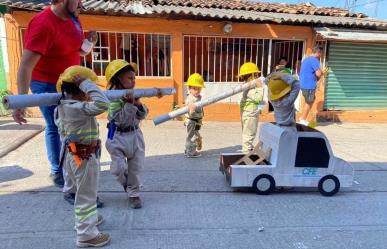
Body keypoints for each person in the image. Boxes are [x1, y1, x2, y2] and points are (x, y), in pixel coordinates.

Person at [12, 0, 97, 188]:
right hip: (46, 83)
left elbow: (78, 51)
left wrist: (88, 44)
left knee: (72, 126)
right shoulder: (43, 24)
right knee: (56, 126)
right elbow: (26, 65)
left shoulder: (73, 19)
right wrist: (21, 100)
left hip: (69, 83)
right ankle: (57, 171)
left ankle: (73, 164)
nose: (81, 3)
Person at [54, 66, 110, 247]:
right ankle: (87, 235)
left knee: (83, 193)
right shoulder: (78, 108)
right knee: (86, 195)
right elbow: (103, 103)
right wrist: (86, 84)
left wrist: (84, 85)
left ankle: (88, 220)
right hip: (84, 157)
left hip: (73, 156)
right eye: (87, 89)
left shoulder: (61, 107)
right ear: (80, 89)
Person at [104, 60, 151, 209]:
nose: (133, 81)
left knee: (135, 168)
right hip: (117, 136)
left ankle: (133, 194)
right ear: (118, 79)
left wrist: (138, 104)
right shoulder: (112, 98)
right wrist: (129, 104)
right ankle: (128, 185)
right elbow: (121, 119)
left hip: (135, 135)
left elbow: (143, 114)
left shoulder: (133, 96)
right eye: (129, 78)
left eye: (134, 78)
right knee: (117, 169)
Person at [238, 62, 264, 153]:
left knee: (248, 133)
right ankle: (246, 152)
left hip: (248, 114)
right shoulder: (250, 89)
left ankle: (248, 147)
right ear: (252, 76)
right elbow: (259, 98)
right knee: (249, 134)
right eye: (256, 75)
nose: (258, 76)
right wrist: (260, 87)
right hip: (250, 115)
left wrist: (260, 108)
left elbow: (261, 101)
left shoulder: (248, 87)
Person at [299, 46, 323, 126]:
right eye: (320, 53)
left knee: (309, 101)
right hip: (309, 85)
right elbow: (318, 73)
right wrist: (322, 73)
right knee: (309, 102)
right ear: (318, 52)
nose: (321, 55)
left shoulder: (306, 59)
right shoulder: (314, 60)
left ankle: (302, 118)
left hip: (303, 84)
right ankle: (303, 119)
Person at [184, 73, 205, 158]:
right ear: (189, 89)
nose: (197, 91)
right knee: (191, 136)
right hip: (191, 121)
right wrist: (192, 110)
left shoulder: (198, 97)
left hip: (197, 121)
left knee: (196, 136)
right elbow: (190, 111)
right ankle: (190, 152)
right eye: (195, 89)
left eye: (199, 89)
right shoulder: (190, 99)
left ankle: (189, 149)